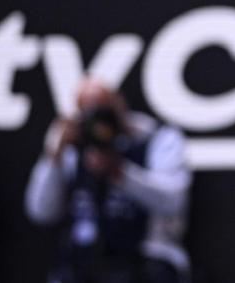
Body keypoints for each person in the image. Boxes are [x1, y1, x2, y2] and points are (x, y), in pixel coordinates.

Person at [25, 79, 191, 283]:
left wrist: (119, 173)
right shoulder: (73, 147)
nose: (98, 123)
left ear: (119, 105)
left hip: (144, 263)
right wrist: (54, 156)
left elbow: (173, 202)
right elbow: (41, 211)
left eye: (103, 110)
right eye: (88, 111)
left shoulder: (156, 138)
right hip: (81, 263)